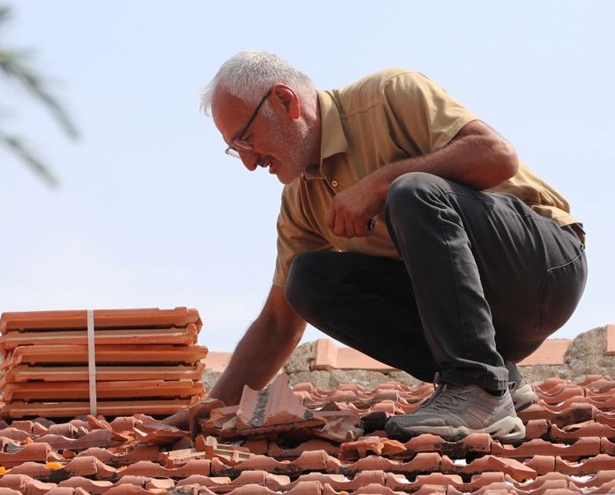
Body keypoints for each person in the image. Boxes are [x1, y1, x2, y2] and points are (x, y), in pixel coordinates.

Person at [167, 50, 586, 443]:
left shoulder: (389, 96)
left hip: (546, 271)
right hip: (494, 327)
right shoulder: (301, 203)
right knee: (308, 280)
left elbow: (497, 155)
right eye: (234, 148)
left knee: (412, 192)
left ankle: (476, 388)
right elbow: (279, 323)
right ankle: (497, 379)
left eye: (245, 138)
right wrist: (208, 410)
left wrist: (380, 183)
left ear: (284, 101)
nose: (248, 161)